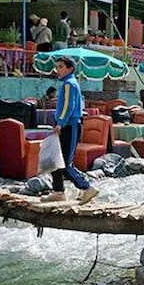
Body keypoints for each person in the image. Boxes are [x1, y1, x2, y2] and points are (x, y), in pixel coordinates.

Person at [41, 56, 98, 204]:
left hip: (69, 126)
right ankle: (58, 191)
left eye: (61, 67)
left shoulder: (69, 84)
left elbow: (69, 106)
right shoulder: (68, 83)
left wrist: (60, 123)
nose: (57, 70)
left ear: (70, 69)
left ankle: (87, 188)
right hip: (64, 125)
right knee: (55, 160)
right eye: (57, 66)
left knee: (65, 164)